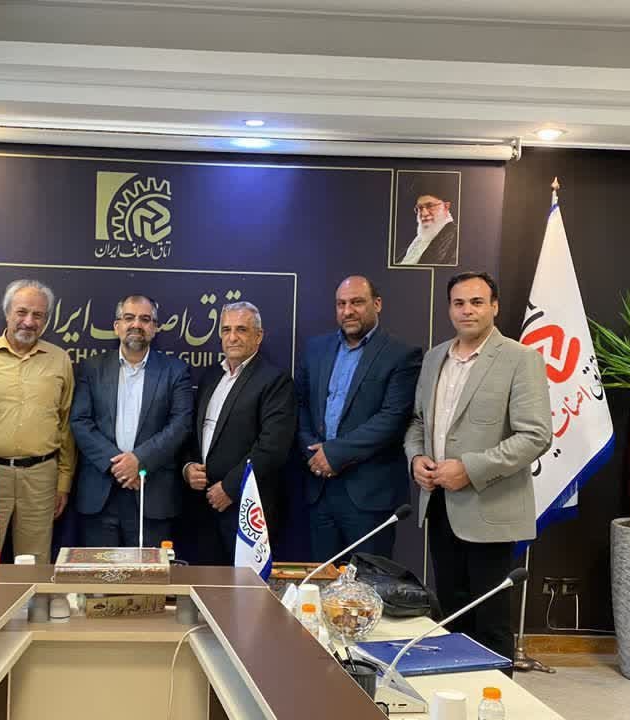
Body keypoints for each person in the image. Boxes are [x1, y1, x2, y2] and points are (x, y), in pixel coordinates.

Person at [404, 271, 552, 663]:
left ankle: (496, 695)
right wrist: (416, 457)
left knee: (490, 624)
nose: (467, 310)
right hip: (440, 506)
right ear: (449, 309)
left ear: (494, 307)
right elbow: (418, 422)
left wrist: (470, 469)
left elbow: (536, 436)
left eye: (476, 302)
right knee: (452, 617)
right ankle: (456, 690)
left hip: (490, 509)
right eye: (458, 303)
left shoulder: (521, 359)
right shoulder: (434, 358)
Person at [297, 276, 422, 560]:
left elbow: (391, 419)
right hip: (319, 489)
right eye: (341, 304)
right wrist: (313, 453)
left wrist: (333, 453)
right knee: (322, 580)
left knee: (367, 581)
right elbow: (300, 405)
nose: (348, 311)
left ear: (377, 304)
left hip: (368, 495)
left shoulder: (401, 355)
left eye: (356, 302)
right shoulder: (315, 349)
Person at [0, 279, 75, 564]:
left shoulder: (60, 360)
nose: (29, 322)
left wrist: (63, 483)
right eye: (22, 312)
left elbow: (66, 426)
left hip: (41, 477)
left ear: (46, 320)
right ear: (7, 313)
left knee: (34, 563)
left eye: (38, 315)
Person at [71, 295, 193, 547]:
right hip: (100, 493)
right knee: (99, 572)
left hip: (152, 493)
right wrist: (119, 466)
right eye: (129, 318)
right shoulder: (91, 368)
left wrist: (139, 460)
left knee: (149, 571)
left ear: (155, 328)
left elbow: (180, 424)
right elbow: (80, 421)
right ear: (117, 326)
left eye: (145, 319)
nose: (136, 324)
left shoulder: (175, 370)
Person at [179, 301, 295, 565]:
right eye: (226, 330)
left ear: (258, 336)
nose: (232, 337)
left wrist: (230, 488)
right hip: (203, 507)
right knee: (205, 583)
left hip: (245, 508)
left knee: (244, 587)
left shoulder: (274, 381)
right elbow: (193, 433)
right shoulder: (210, 376)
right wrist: (187, 467)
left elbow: (272, 447)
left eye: (241, 329)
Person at [398, 192, 458, 265]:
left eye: (430, 206)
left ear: (446, 206)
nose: (424, 213)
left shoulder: (457, 236)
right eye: (420, 208)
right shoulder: (418, 239)